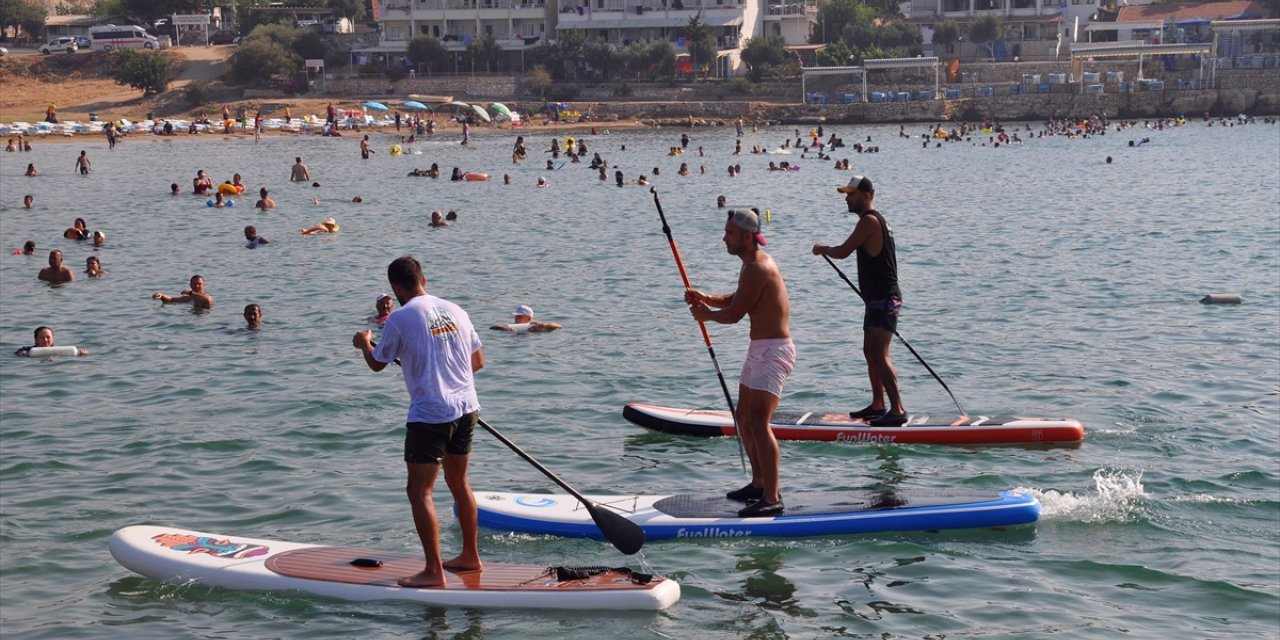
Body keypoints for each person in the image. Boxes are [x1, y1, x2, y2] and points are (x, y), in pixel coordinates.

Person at [351, 255, 485, 588]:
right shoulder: (456, 309)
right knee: (459, 483)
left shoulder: (400, 318)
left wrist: (364, 343)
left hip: (431, 415)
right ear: (423, 277)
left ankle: (433, 572)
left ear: (397, 287)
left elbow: (378, 363)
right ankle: (470, 556)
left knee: (419, 492)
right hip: (467, 408)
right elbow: (478, 362)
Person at [684, 209, 793, 517]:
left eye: (729, 233)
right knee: (743, 418)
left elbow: (734, 315)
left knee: (759, 422)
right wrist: (707, 299)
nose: (724, 238)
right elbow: (738, 298)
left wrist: (706, 315)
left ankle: (772, 497)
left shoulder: (759, 266)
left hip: (774, 352)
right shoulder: (750, 266)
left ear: (747, 237)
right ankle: (759, 484)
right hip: (759, 348)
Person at [811, 175, 905, 426]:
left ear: (866, 196)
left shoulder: (870, 221)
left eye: (850, 194)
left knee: (879, 352)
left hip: (885, 298)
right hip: (875, 299)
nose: (846, 198)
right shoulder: (871, 221)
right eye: (845, 194)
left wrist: (824, 249)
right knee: (869, 351)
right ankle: (878, 404)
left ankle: (898, 410)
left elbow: (843, 251)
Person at [15, 326, 87, 356]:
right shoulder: (28, 350)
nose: (45, 340)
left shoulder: (60, 350)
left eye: (48, 337)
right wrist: (22, 353)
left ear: (53, 339)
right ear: (36, 339)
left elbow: (85, 351)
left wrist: (82, 352)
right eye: (42, 338)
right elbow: (17, 353)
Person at [490, 305, 561, 333]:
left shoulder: (536, 325)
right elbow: (492, 327)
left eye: (520, 316)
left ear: (529, 317)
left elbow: (559, 326)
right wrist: (506, 329)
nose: (516, 318)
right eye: (516, 316)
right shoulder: (512, 327)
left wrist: (543, 325)